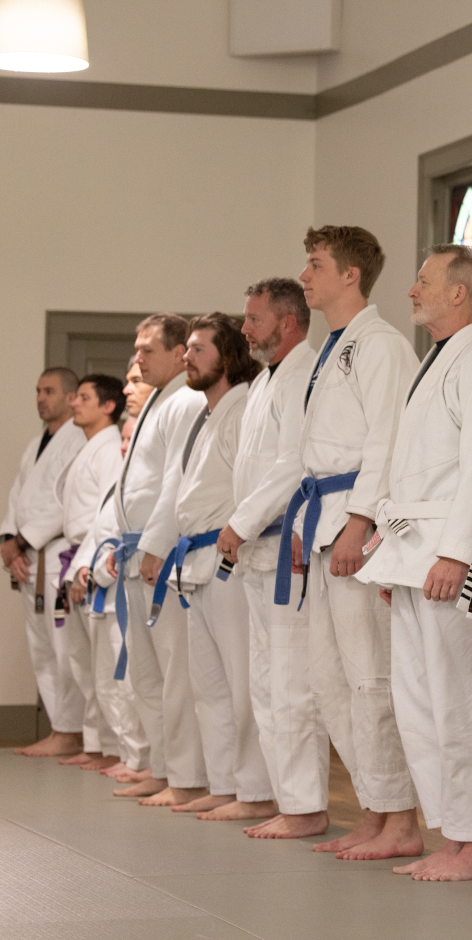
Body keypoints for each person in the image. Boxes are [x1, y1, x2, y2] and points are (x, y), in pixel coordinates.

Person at [359, 245, 472, 882]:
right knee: (417, 701)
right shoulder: (439, 359)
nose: (411, 290)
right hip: (413, 549)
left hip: (450, 549)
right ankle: (452, 832)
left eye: (423, 281)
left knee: (460, 700)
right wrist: (396, 556)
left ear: (459, 293)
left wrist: (455, 551)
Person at [279, 225, 422, 859]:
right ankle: (372, 806)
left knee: (372, 676)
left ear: (349, 276)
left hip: (353, 525)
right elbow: (313, 454)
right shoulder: (329, 347)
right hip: (320, 516)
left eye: (314, 265)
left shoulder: (382, 346)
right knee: (329, 677)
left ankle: (402, 819)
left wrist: (359, 523)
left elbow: (386, 443)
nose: (304, 276)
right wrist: (301, 523)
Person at [217, 279, 326, 840]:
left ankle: (306, 806)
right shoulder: (267, 381)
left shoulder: (307, 373)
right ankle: (288, 799)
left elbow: (294, 464)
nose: (244, 329)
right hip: (259, 549)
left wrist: (241, 521)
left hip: (288, 546)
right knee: (264, 681)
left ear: (287, 322)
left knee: (291, 682)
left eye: (254, 319)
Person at [158, 314, 274, 821]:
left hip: (229, 557)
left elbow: (252, 484)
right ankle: (226, 783)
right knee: (210, 685)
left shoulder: (244, 405)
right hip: (196, 562)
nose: (188, 357)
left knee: (243, 683)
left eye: (199, 349)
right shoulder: (210, 414)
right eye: (186, 348)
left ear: (227, 357)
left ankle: (256, 791)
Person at [102, 313, 208, 805]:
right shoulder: (156, 403)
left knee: (174, 674)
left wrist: (155, 545)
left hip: (157, 550)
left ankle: (185, 776)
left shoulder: (184, 400)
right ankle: (163, 768)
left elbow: (175, 481)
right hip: (134, 548)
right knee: (146, 673)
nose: (138, 358)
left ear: (177, 351)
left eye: (148, 349)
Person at [2, 367, 86, 758]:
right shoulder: (36, 443)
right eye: (37, 390)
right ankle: (59, 727)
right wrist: (8, 542)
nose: (40, 398)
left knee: (64, 647)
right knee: (41, 651)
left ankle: (72, 730)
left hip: (54, 555)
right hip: (28, 559)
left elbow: (62, 503)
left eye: (48, 390)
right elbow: (18, 498)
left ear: (71, 397)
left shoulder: (77, 441)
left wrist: (21, 541)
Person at [74, 413, 151, 782]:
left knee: (131, 682)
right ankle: (127, 751)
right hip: (103, 589)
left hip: (126, 586)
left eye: (129, 438)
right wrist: (83, 569)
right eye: (122, 438)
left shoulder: (143, 485)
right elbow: (97, 534)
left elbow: (122, 545)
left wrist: (100, 569)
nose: (124, 445)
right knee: (108, 681)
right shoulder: (120, 483)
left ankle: (140, 757)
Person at [55, 374, 126, 771]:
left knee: (104, 662)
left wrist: (86, 562)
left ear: (108, 406)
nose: (74, 403)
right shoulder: (91, 447)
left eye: (83, 397)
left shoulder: (110, 448)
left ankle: (115, 747)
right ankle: (98, 743)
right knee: (84, 662)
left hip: (95, 555)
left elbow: (107, 512)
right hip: (78, 555)